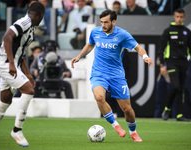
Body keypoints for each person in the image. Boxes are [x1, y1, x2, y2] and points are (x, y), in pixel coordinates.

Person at [71, 9, 154, 142]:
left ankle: (133, 132)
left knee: (127, 109)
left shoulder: (122, 34)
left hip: (116, 75)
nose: (103, 25)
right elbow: (90, 44)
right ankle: (115, 125)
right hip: (99, 73)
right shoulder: (95, 32)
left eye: (106, 22)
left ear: (113, 21)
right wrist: (79, 56)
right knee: (99, 98)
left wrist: (145, 57)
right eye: (101, 22)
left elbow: (138, 47)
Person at [0, 2, 44, 149]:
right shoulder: (24, 22)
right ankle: (17, 130)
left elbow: (21, 52)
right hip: (5, 64)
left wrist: (27, 73)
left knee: (5, 101)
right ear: (41, 15)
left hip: (13, 65)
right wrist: (12, 65)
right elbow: (7, 37)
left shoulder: (32, 28)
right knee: (29, 91)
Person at [159, 8, 191, 121]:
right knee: (175, 86)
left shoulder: (187, 32)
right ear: (174, 16)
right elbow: (161, 49)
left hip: (183, 62)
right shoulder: (168, 31)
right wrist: (162, 65)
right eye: (177, 16)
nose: (179, 19)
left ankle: (179, 115)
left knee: (181, 89)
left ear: (184, 17)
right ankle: (167, 109)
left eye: (181, 17)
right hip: (171, 62)